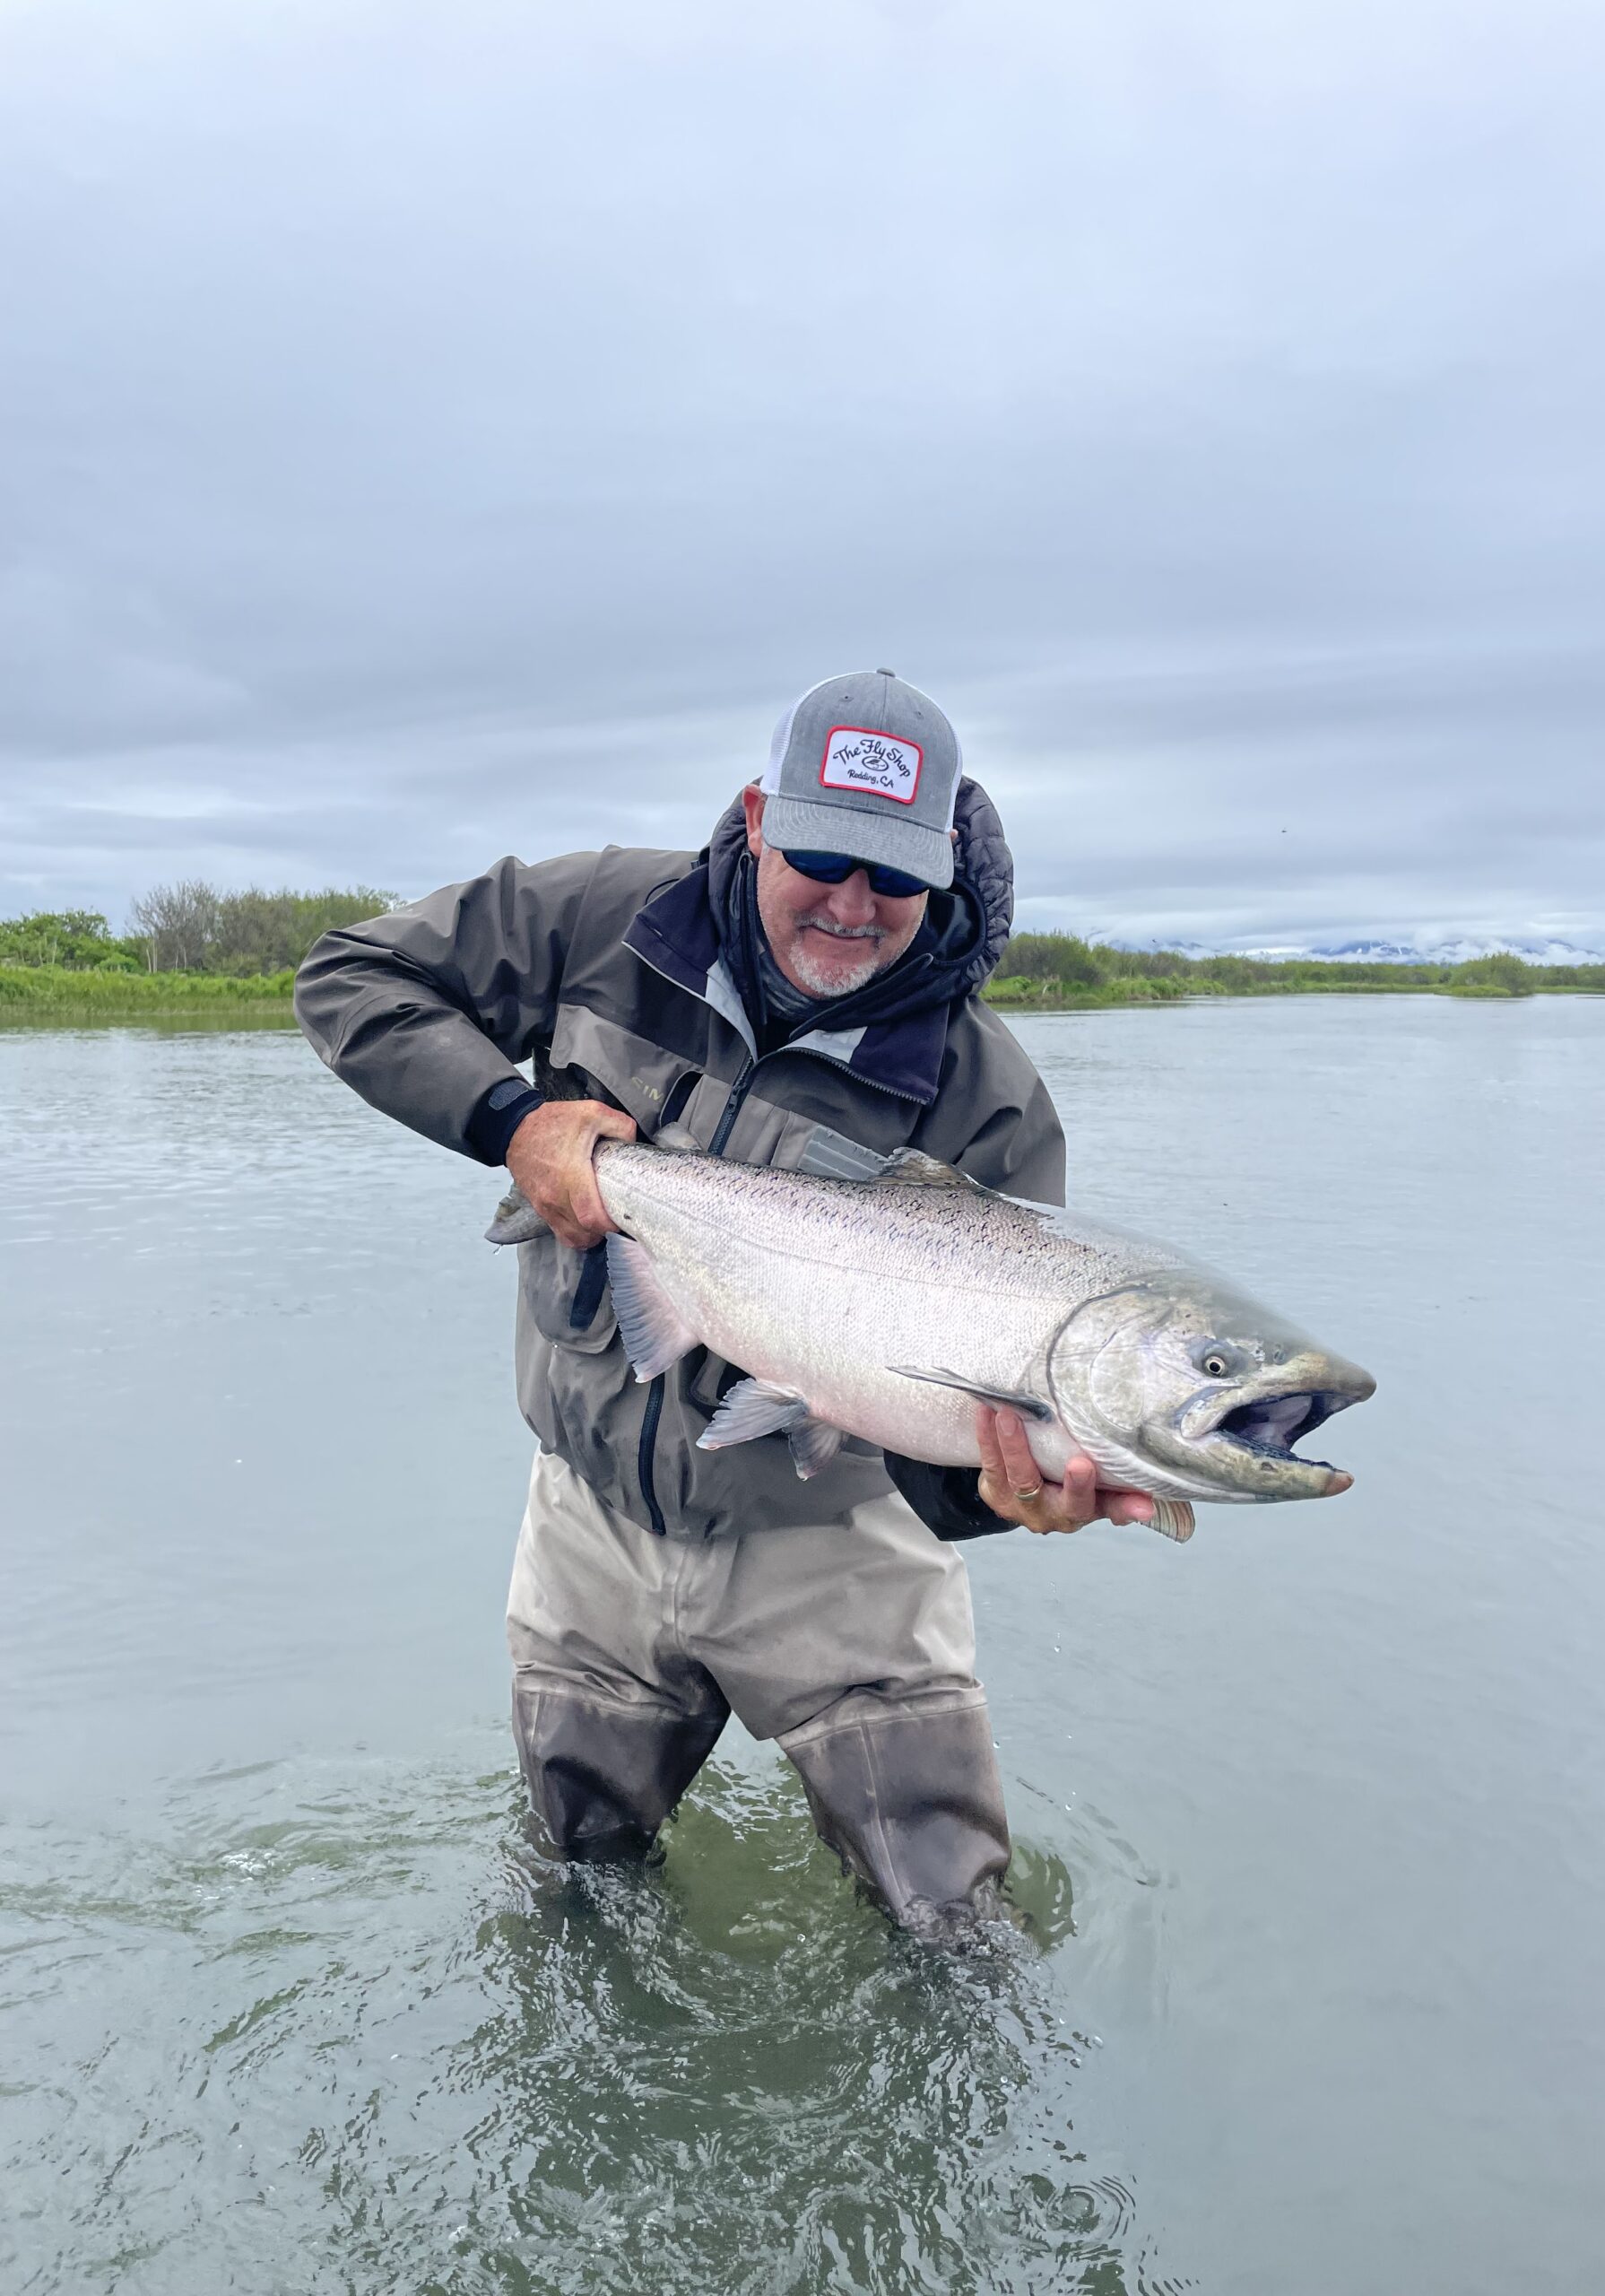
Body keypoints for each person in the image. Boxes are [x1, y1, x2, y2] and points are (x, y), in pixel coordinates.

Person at [295, 669, 1156, 1933]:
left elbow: (958, 1467)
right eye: (822, 856)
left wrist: (1012, 1493)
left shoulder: (991, 1102)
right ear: (758, 816)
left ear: (940, 881)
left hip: (839, 1549)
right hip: (590, 1526)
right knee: (573, 1896)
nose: (856, 906)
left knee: (955, 1932)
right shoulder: (600, 917)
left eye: (896, 880)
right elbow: (350, 978)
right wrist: (515, 1120)